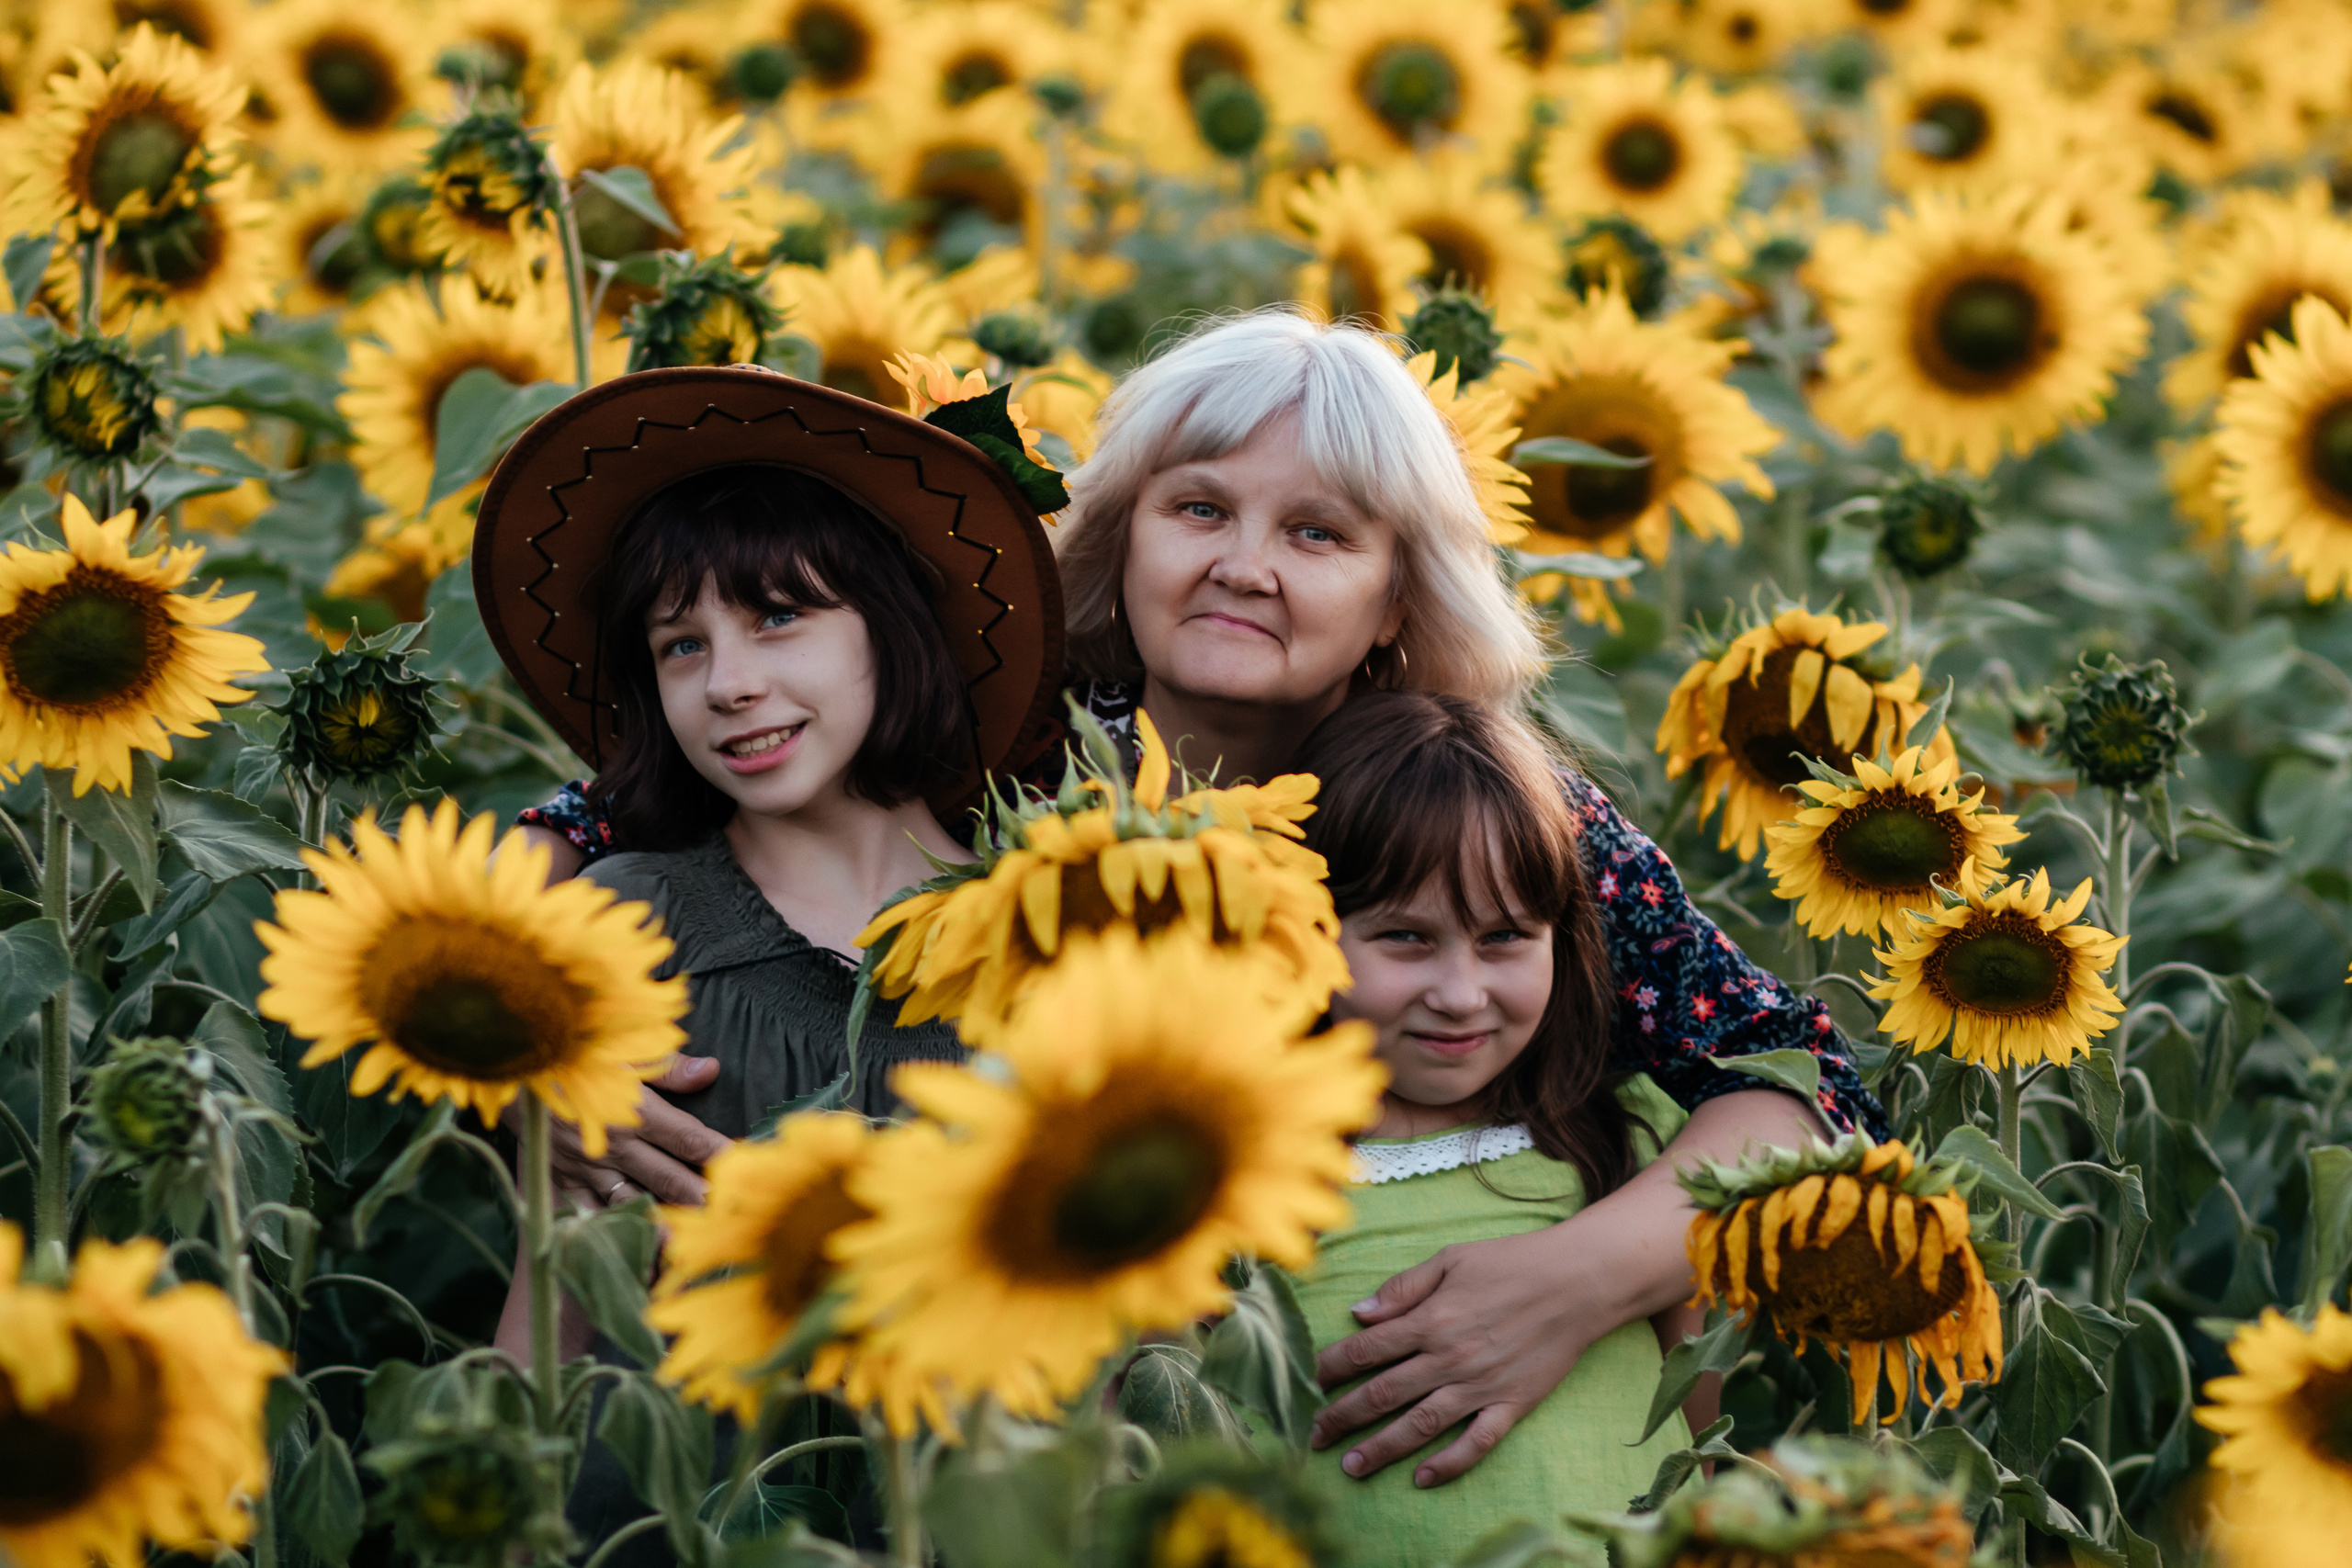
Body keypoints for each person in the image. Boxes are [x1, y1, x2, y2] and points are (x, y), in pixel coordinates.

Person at [511, 311, 1871, 1485]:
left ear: (1398, 593)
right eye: (1201, 507)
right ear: (1124, 533)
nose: (1245, 563)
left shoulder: (1472, 803)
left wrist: (1583, 1276)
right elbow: (597, 831)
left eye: (1319, 532)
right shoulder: (1003, 742)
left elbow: (1790, 1071)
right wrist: (548, 1059)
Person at [467, 364, 1066, 1556]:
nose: (730, 682)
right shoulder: (625, 921)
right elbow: (565, 1277)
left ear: (896, 624)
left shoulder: (1047, 934)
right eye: (680, 646)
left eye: (778, 616)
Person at [1287, 691, 1713, 1562]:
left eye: (1505, 937)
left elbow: (1696, 1418)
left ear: (1564, 936)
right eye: (1405, 937)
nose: (1459, 992)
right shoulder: (1245, 1167)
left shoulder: (1624, 1132)